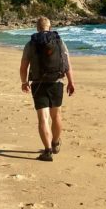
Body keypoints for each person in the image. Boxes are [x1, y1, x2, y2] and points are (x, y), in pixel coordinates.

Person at [20, 16, 75, 161]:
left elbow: (23, 67)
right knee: (56, 115)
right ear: (49, 27)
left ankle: (48, 151)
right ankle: (56, 143)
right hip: (56, 82)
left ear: (37, 28)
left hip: (38, 83)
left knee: (43, 118)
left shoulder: (31, 44)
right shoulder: (59, 41)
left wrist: (24, 82)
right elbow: (66, 63)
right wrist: (71, 82)